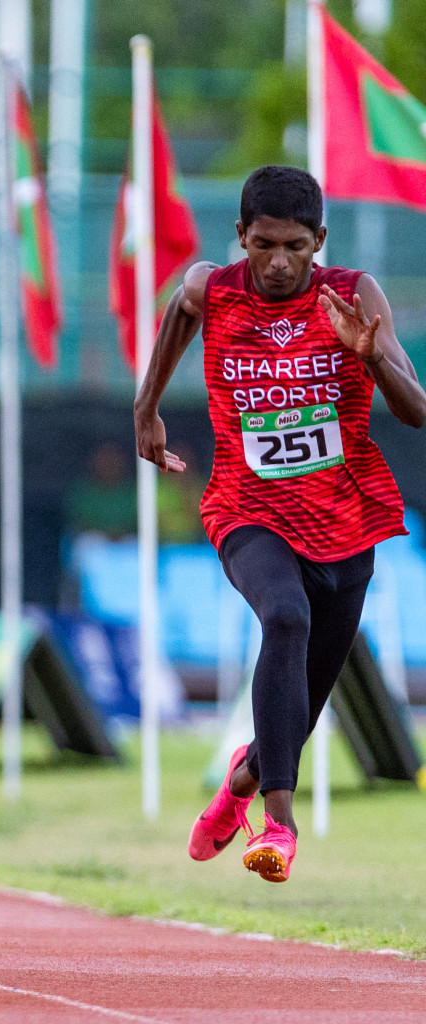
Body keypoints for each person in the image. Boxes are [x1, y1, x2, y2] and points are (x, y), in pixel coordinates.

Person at [134, 165, 424, 883]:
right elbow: (176, 318)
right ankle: (280, 824)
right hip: (248, 506)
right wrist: (146, 412)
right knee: (285, 619)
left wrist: (372, 359)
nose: (280, 262)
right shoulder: (213, 286)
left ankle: (241, 782)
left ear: (320, 240)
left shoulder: (352, 295)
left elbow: (416, 408)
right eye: (264, 245)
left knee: (300, 707)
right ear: (241, 237)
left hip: (346, 519)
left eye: (296, 245)